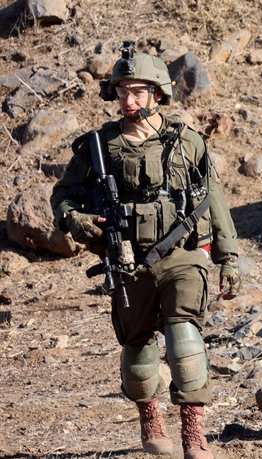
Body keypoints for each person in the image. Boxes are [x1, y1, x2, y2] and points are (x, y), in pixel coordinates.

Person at [50, 40, 240, 459]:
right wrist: (75, 220)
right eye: (122, 91)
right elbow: (63, 196)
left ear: (157, 93)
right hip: (127, 262)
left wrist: (229, 258)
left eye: (138, 91)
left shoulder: (186, 143)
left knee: (184, 337)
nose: (129, 100)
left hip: (182, 255)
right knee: (137, 349)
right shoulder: (98, 148)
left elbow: (215, 199)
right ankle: (151, 420)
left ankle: (194, 433)